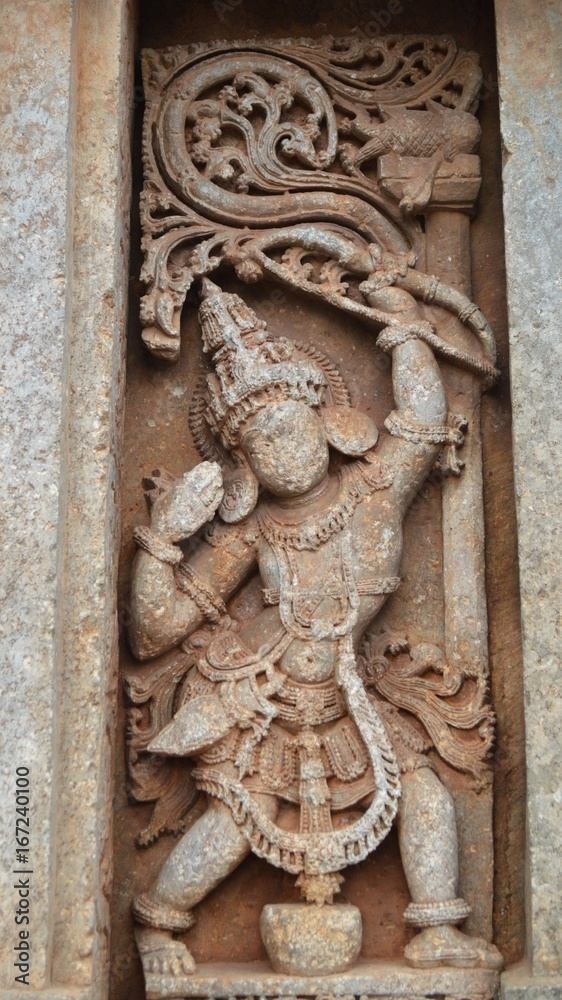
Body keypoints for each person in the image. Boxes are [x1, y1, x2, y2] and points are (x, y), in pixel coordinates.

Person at [129, 278, 502, 978]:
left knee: (419, 789)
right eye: (258, 443)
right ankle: (158, 926)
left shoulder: (376, 488)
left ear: (325, 417)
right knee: (240, 822)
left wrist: (405, 330)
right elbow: (155, 633)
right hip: (260, 691)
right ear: (242, 466)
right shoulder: (253, 534)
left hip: (348, 690)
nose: (281, 449)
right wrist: (164, 538)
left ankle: (435, 929)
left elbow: (421, 415)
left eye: (289, 426)